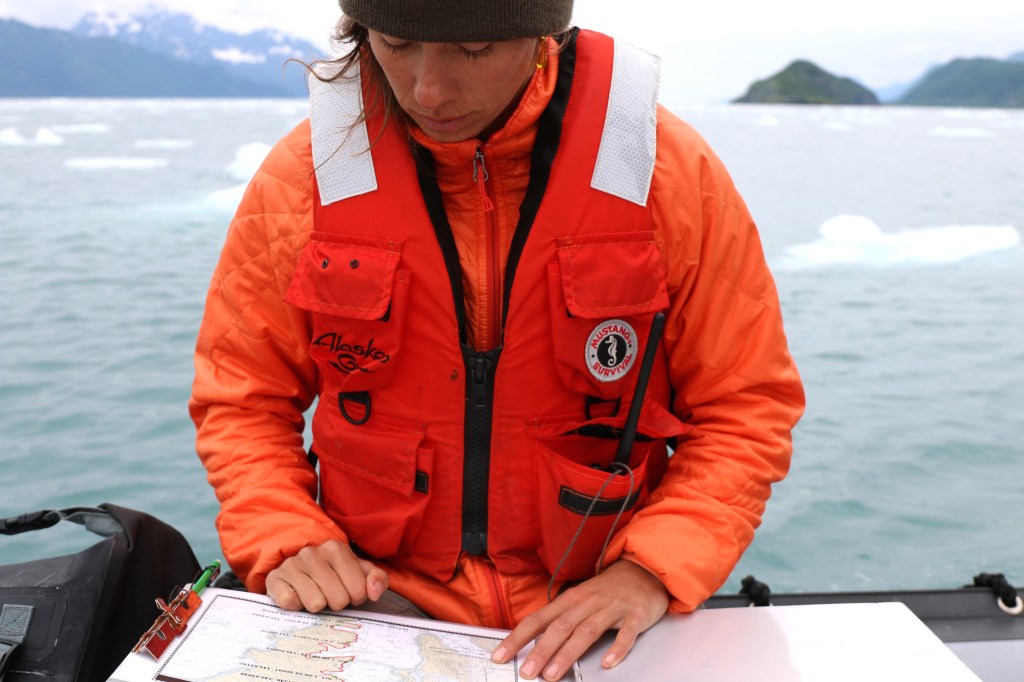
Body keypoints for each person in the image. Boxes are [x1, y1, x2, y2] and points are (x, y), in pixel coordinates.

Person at [189, 1, 805, 679]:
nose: (429, 89)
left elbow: (746, 409)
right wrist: (285, 537)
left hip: (600, 610)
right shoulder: (299, 179)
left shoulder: (671, 176)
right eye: (396, 44)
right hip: (370, 603)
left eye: (474, 51)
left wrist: (652, 570)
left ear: (544, 36)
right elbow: (242, 402)